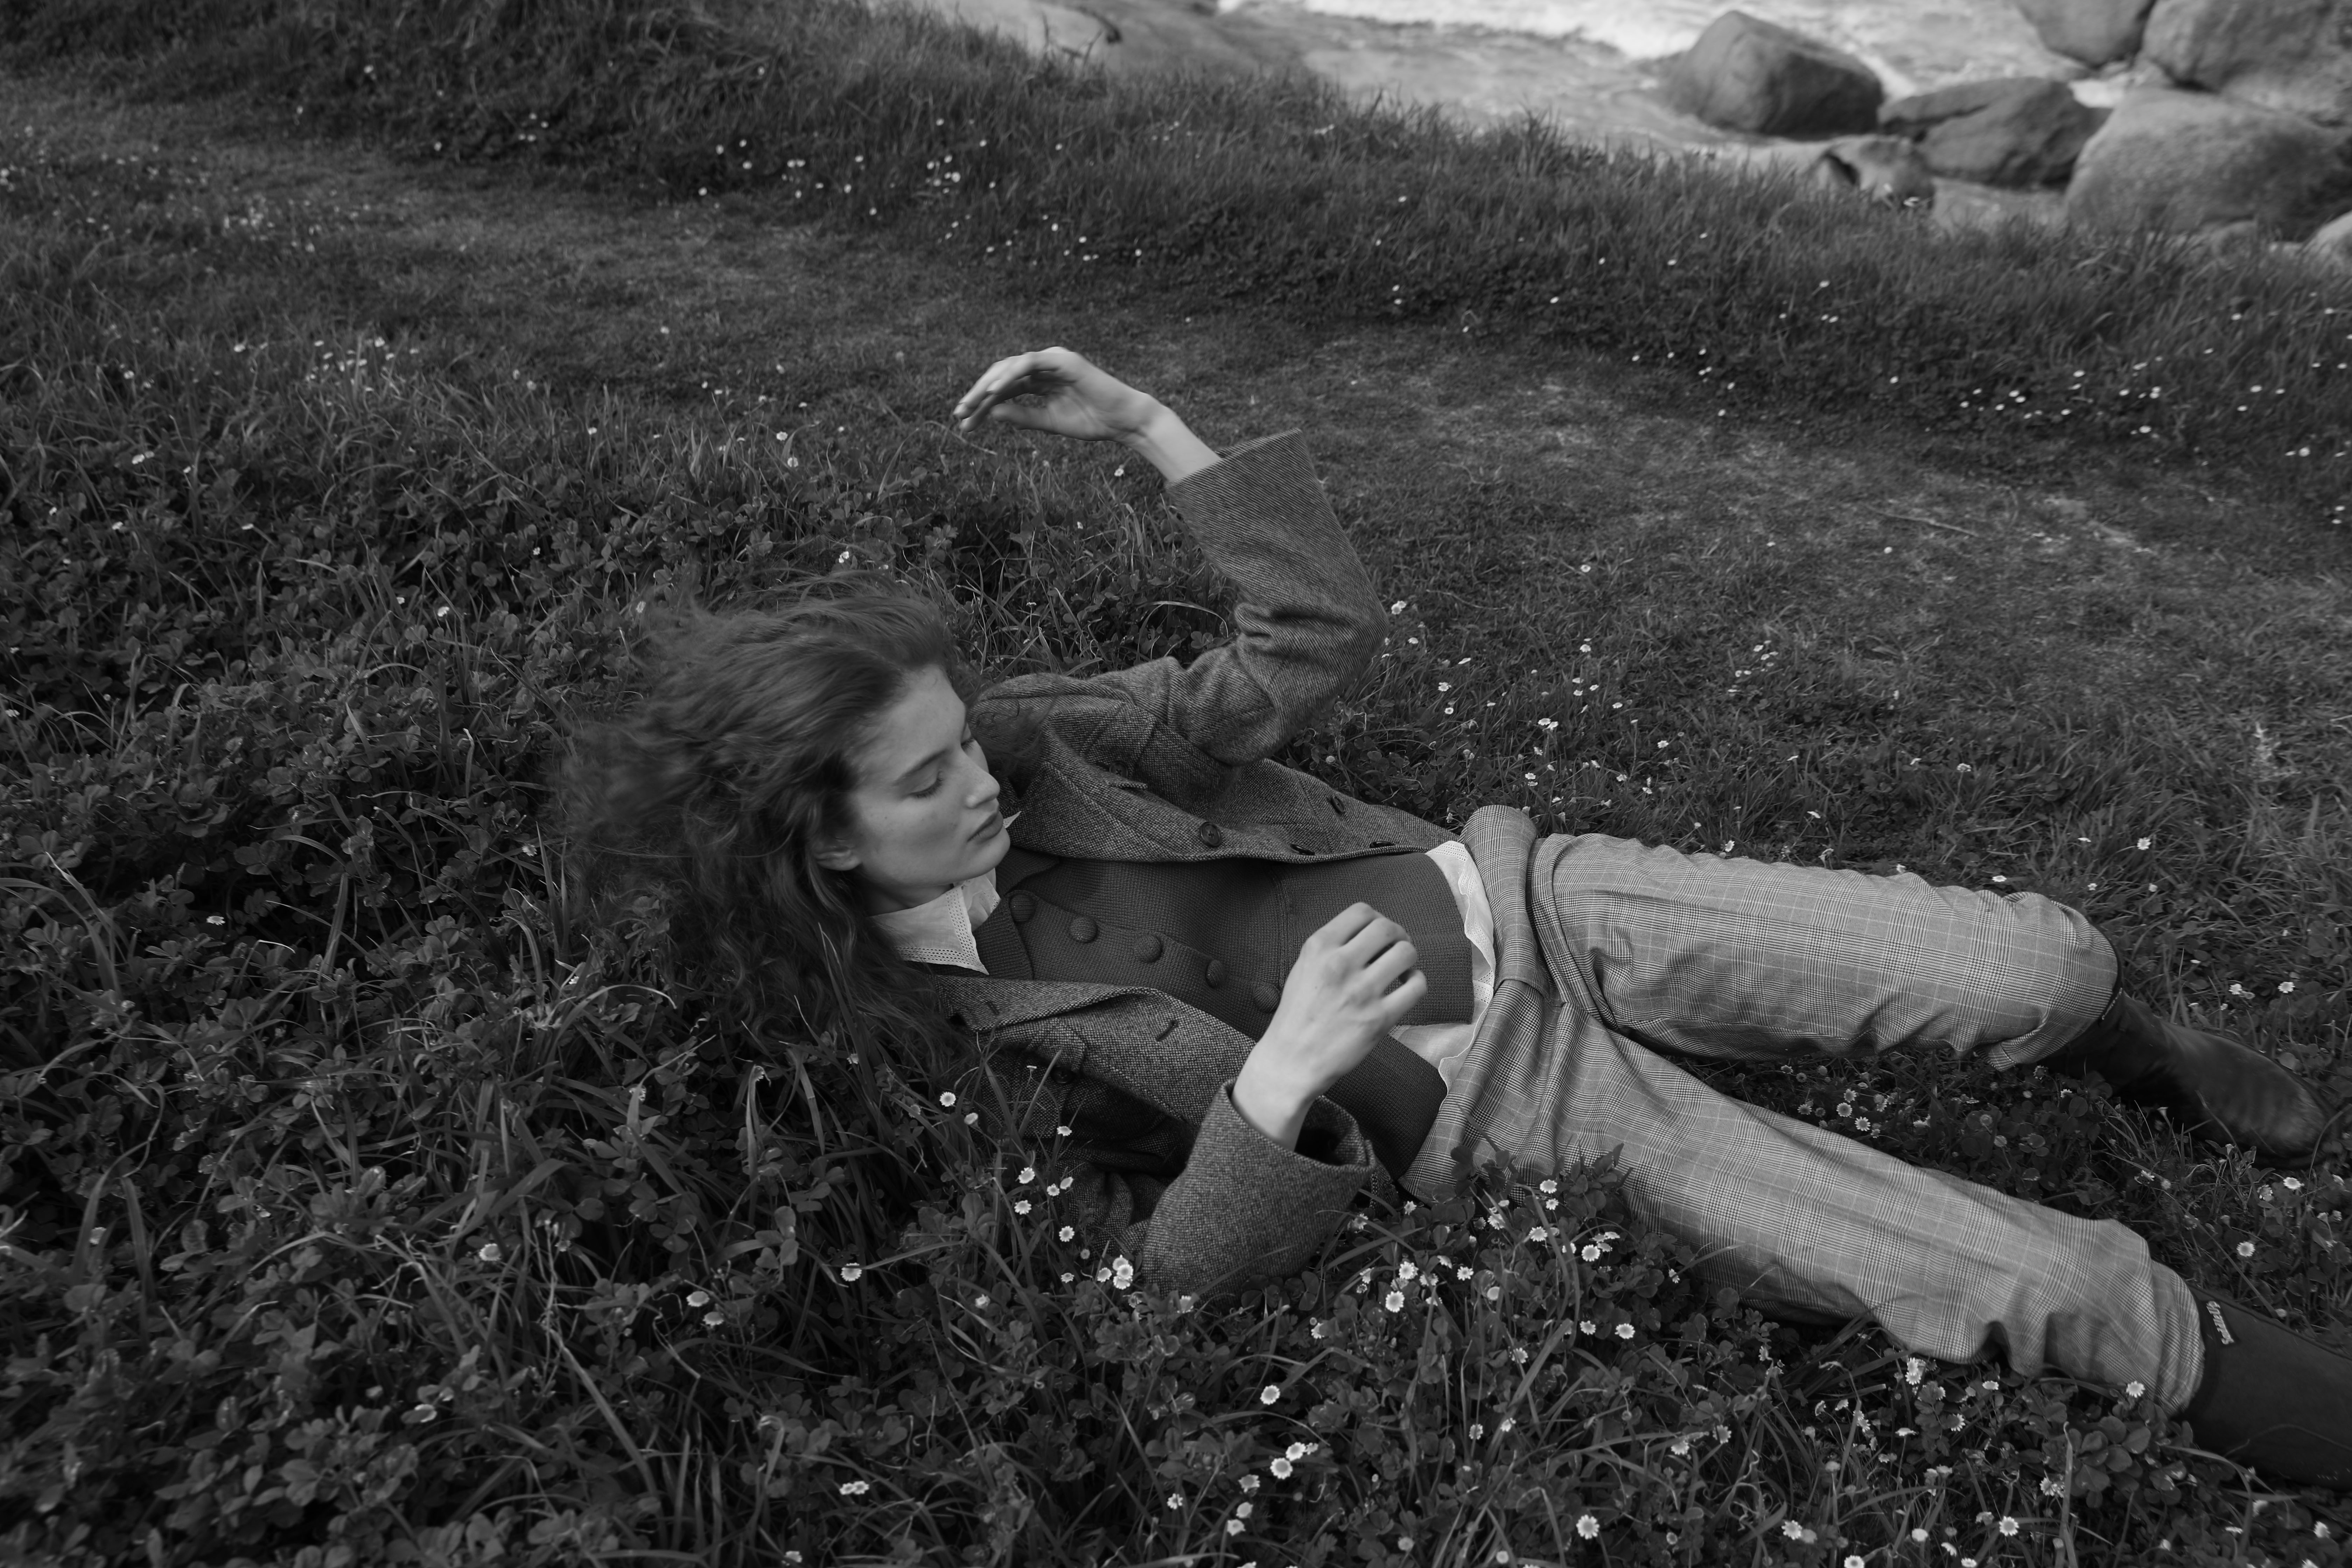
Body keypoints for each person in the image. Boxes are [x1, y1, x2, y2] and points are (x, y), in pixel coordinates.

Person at [555, 345, 2352, 1486]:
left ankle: (2129, 1038)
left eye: (966, 739)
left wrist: (1154, 431)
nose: (980, 777)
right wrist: (1282, 1084)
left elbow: (1303, 646)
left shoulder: (1043, 739)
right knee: (2020, 1280)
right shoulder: (916, 1032)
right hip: (1493, 1104)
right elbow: (1157, 1272)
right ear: (817, 839)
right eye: (925, 779)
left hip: (1535, 903)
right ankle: (2240, 1374)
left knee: (2035, 962)